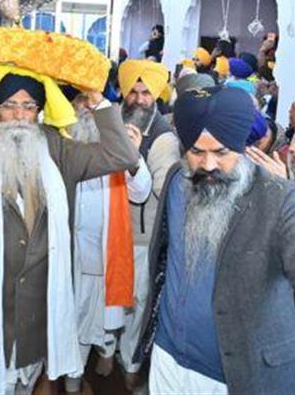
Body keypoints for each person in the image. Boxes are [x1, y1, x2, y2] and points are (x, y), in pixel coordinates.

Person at [0, 66, 138, 395]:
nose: (19, 115)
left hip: (37, 309)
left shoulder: (60, 151)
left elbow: (122, 155)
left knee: (26, 383)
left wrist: (98, 100)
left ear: (40, 111)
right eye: (10, 106)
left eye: (29, 106)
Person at [134, 85, 295, 394]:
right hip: (168, 358)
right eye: (196, 152)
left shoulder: (280, 199)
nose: (208, 165)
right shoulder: (177, 180)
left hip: (239, 374)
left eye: (222, 152)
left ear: (242, 145)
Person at [62, 87, 152, 394]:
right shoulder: (65, 149)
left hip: (106, 258)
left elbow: (140, 191)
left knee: (103, 319)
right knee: (73, 323)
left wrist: (133, 154)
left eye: (92, 109)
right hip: (72, 258)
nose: (86, 114)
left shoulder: (116, 151)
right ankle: (73, 382)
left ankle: (105, 354)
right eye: (81, 108)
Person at [116, 59, 181, 389]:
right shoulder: (111, 122)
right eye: (134, 91)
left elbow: (163, 188)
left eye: (146, 93)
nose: (139, 99)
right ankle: (106, 351)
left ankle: (131, 362)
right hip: (110, 231)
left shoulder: (163, 137)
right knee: (108, 296)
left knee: (137, 302)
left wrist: (135, 157)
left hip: (142, 236)